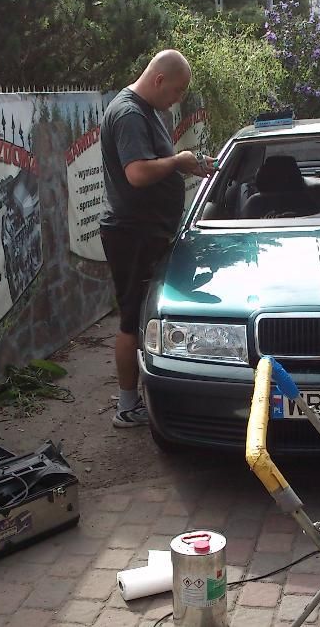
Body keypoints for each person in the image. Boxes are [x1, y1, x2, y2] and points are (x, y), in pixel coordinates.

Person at [99, 49, 215, 428]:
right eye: (177, 90)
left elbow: (156, 166)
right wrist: (178, 162)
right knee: (131, 318)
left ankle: (145, 395)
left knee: (147, 314)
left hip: (147, 229)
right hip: (133, 232)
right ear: (159, 79)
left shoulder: (147, 110)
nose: (178, 99)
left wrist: (189, 166)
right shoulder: (130, 112)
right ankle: (127, 406)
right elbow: (136, 173)